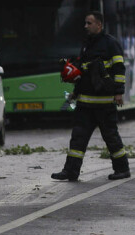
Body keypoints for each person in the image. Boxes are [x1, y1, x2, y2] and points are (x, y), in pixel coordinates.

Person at [51, 11, 130, 181]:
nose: (85, 26)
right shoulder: (87, 44)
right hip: (85, 103)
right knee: (78, 139)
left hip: (104, 103)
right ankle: (70, 171)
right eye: (85, 23)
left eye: (89, 23)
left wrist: (118, 92)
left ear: (99, 25)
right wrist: (75, 92)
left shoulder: (111, 44)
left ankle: (122, 169)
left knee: (111, 138)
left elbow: (119, 69)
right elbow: (83, 73)